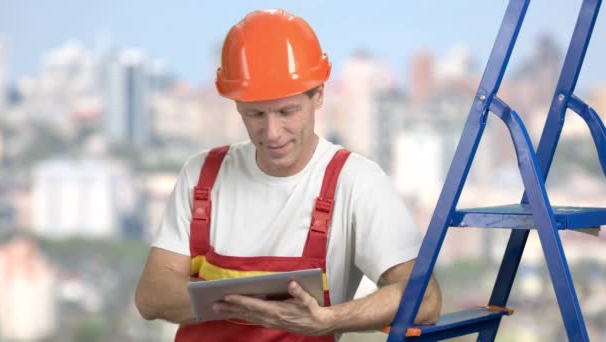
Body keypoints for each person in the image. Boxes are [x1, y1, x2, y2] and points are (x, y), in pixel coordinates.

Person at [135, 8, 441, 341]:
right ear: (237, 104)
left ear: (319, 95)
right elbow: (152, 298)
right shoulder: (202, 177)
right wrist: (249, 304)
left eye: (287, 111)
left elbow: (424, 298)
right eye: (255, 114)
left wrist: (328, 320)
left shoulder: (355, 183)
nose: (272, 132)